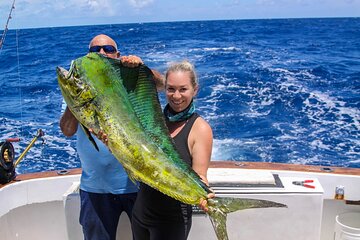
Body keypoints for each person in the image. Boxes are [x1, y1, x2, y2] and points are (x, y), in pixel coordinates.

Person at [60, 34, 163, 240]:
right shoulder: (79, 89)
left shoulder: (129, 83)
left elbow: (162, 84)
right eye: (94, 50)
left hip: (137, 185)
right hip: (95, 189)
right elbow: (67, 130)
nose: (101, 53)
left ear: (117, 55)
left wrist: (142, 68)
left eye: (107, 49)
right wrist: (77, 100)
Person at [131, 60, 214, 240]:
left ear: (195, 90)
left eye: (183, 89)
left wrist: (204, 194)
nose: (176, 96)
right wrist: (138, 66)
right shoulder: (154, 120)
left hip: (172, 220)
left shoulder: (200, 129)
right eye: (171, 89)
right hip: (140, 213)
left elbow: (200, 175)